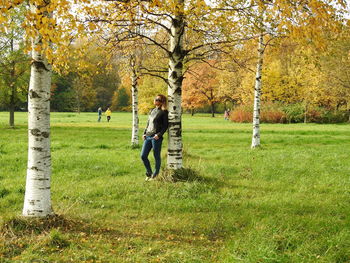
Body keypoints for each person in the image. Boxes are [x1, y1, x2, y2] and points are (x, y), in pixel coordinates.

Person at [141, 94, 169, 181]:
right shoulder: (152, 110)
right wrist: (144, 133)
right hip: (148, 136)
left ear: (162, 102)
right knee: (143, 155)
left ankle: (155, 175)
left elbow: (165, 126)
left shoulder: (164, 112)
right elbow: (148, 123)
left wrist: (159, 135)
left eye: (157, 99)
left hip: (156, 137)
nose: (155, 100)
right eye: (155, 99)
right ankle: (149, 173)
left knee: (156, 156)